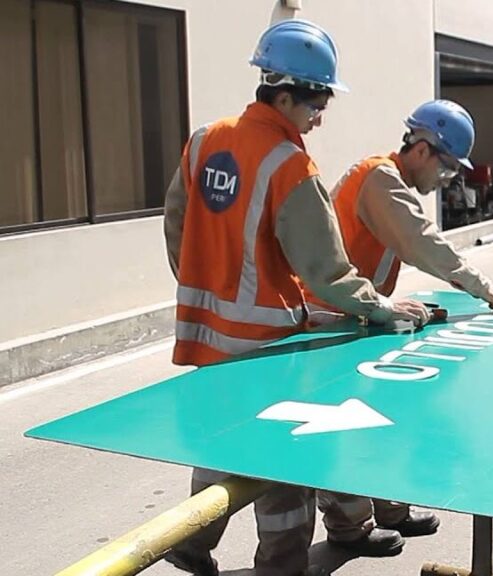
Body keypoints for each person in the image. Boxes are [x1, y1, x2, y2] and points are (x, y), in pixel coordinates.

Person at [161, 19, 429, 576]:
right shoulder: (289, 164)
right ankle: (282, 566)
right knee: (283, 466)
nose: (320, 115)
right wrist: (381, 308)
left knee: (222, 442)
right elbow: (326, 270)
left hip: (203, 335)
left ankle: (188, 542)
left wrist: (200, 286)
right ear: (284, 95)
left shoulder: (205, 139)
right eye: (316, 103)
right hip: (263, 344)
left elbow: (176, 222)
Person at [307, 99, 493, 557]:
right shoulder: (382, 179)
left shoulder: (387, 179)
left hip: (361, 311)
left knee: (383, 409)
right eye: (446, 169)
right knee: (346, 417)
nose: (446, 181)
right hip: (332, 316)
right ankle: (349, 526)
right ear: (422, 150)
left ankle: (387, 506)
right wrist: (485, 289)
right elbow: (423, 241)